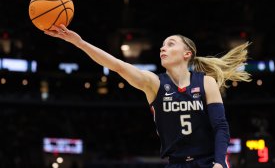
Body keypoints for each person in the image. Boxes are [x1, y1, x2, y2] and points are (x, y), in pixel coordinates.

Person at [44, 24, 251, 168]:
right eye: (162, 45)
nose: (163, 47)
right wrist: (78, 41)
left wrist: (219, 162)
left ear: (187, 53)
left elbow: (221, 127)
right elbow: (117, 65)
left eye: (170, 44)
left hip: (207, 162)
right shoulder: (155, 83)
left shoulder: (206, 82)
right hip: (176, 163)